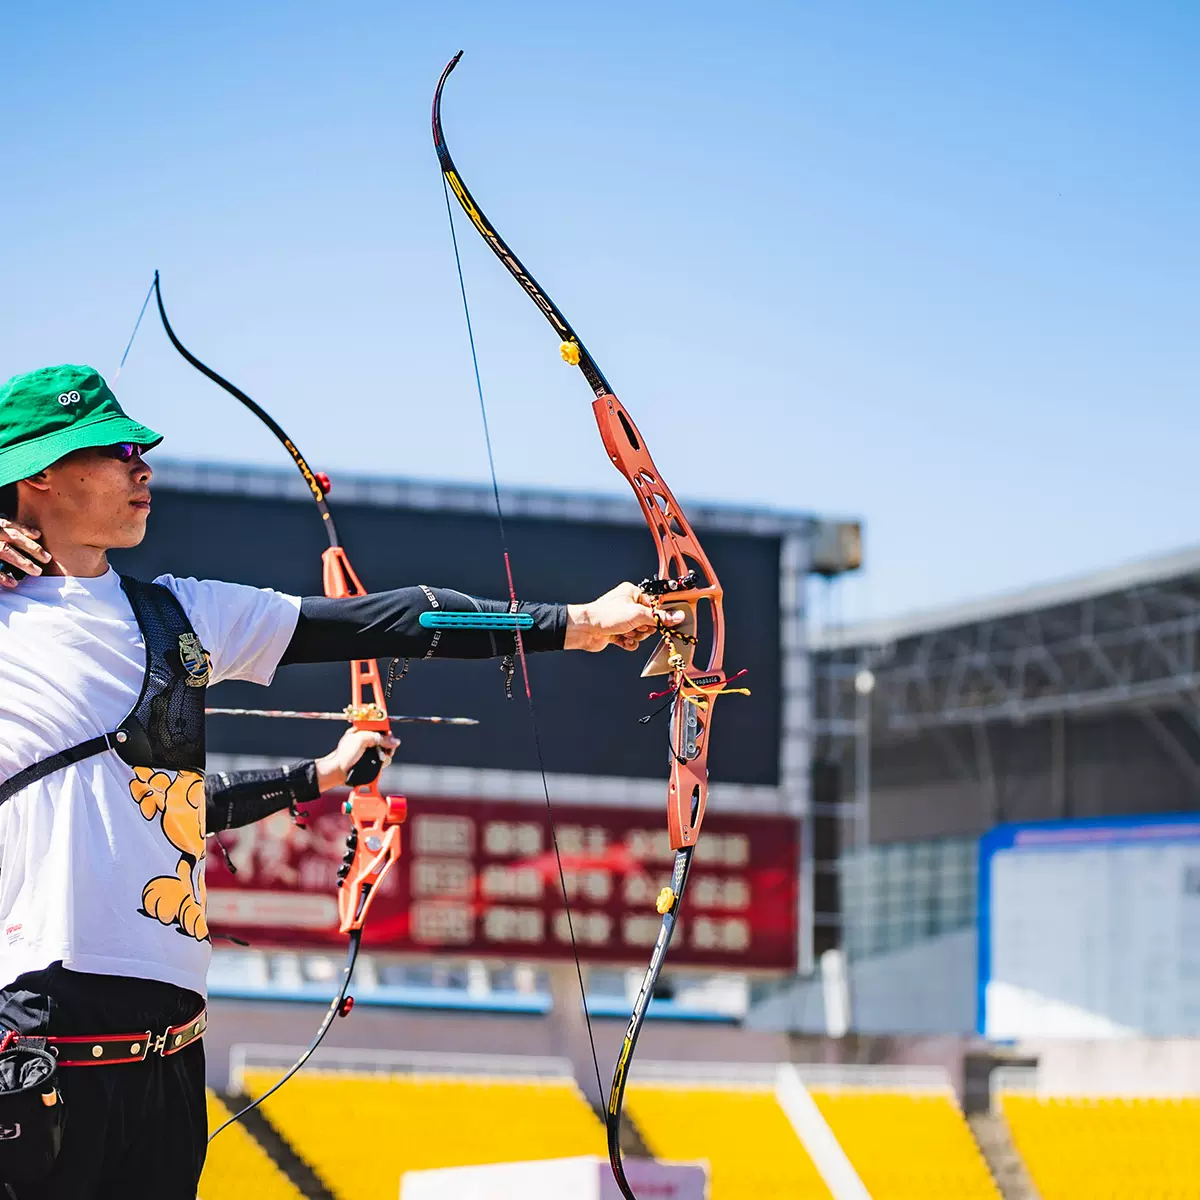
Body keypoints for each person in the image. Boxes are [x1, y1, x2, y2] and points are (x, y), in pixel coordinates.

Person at [0, 364, 680, 1198]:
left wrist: (573, 624)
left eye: (143, 449)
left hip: (169, 1042)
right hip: (42, 1029)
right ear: (37, 473)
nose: (144, 466)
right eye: (115, 451)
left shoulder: (180, 614)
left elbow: (388, 618)